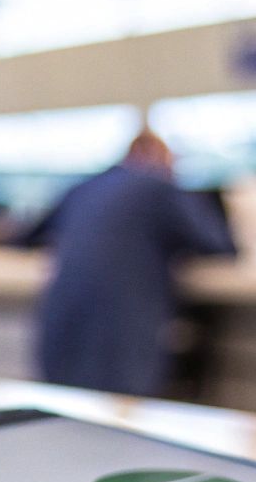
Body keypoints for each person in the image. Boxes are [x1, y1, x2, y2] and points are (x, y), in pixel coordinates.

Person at [24, 129, 234, 396]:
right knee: (119, 418)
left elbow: (25, 237)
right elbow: (218, 245)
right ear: (157, 157)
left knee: (68, 412)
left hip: (62, 322)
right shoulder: (158, 187)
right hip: (120, 331)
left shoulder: (82, 188)